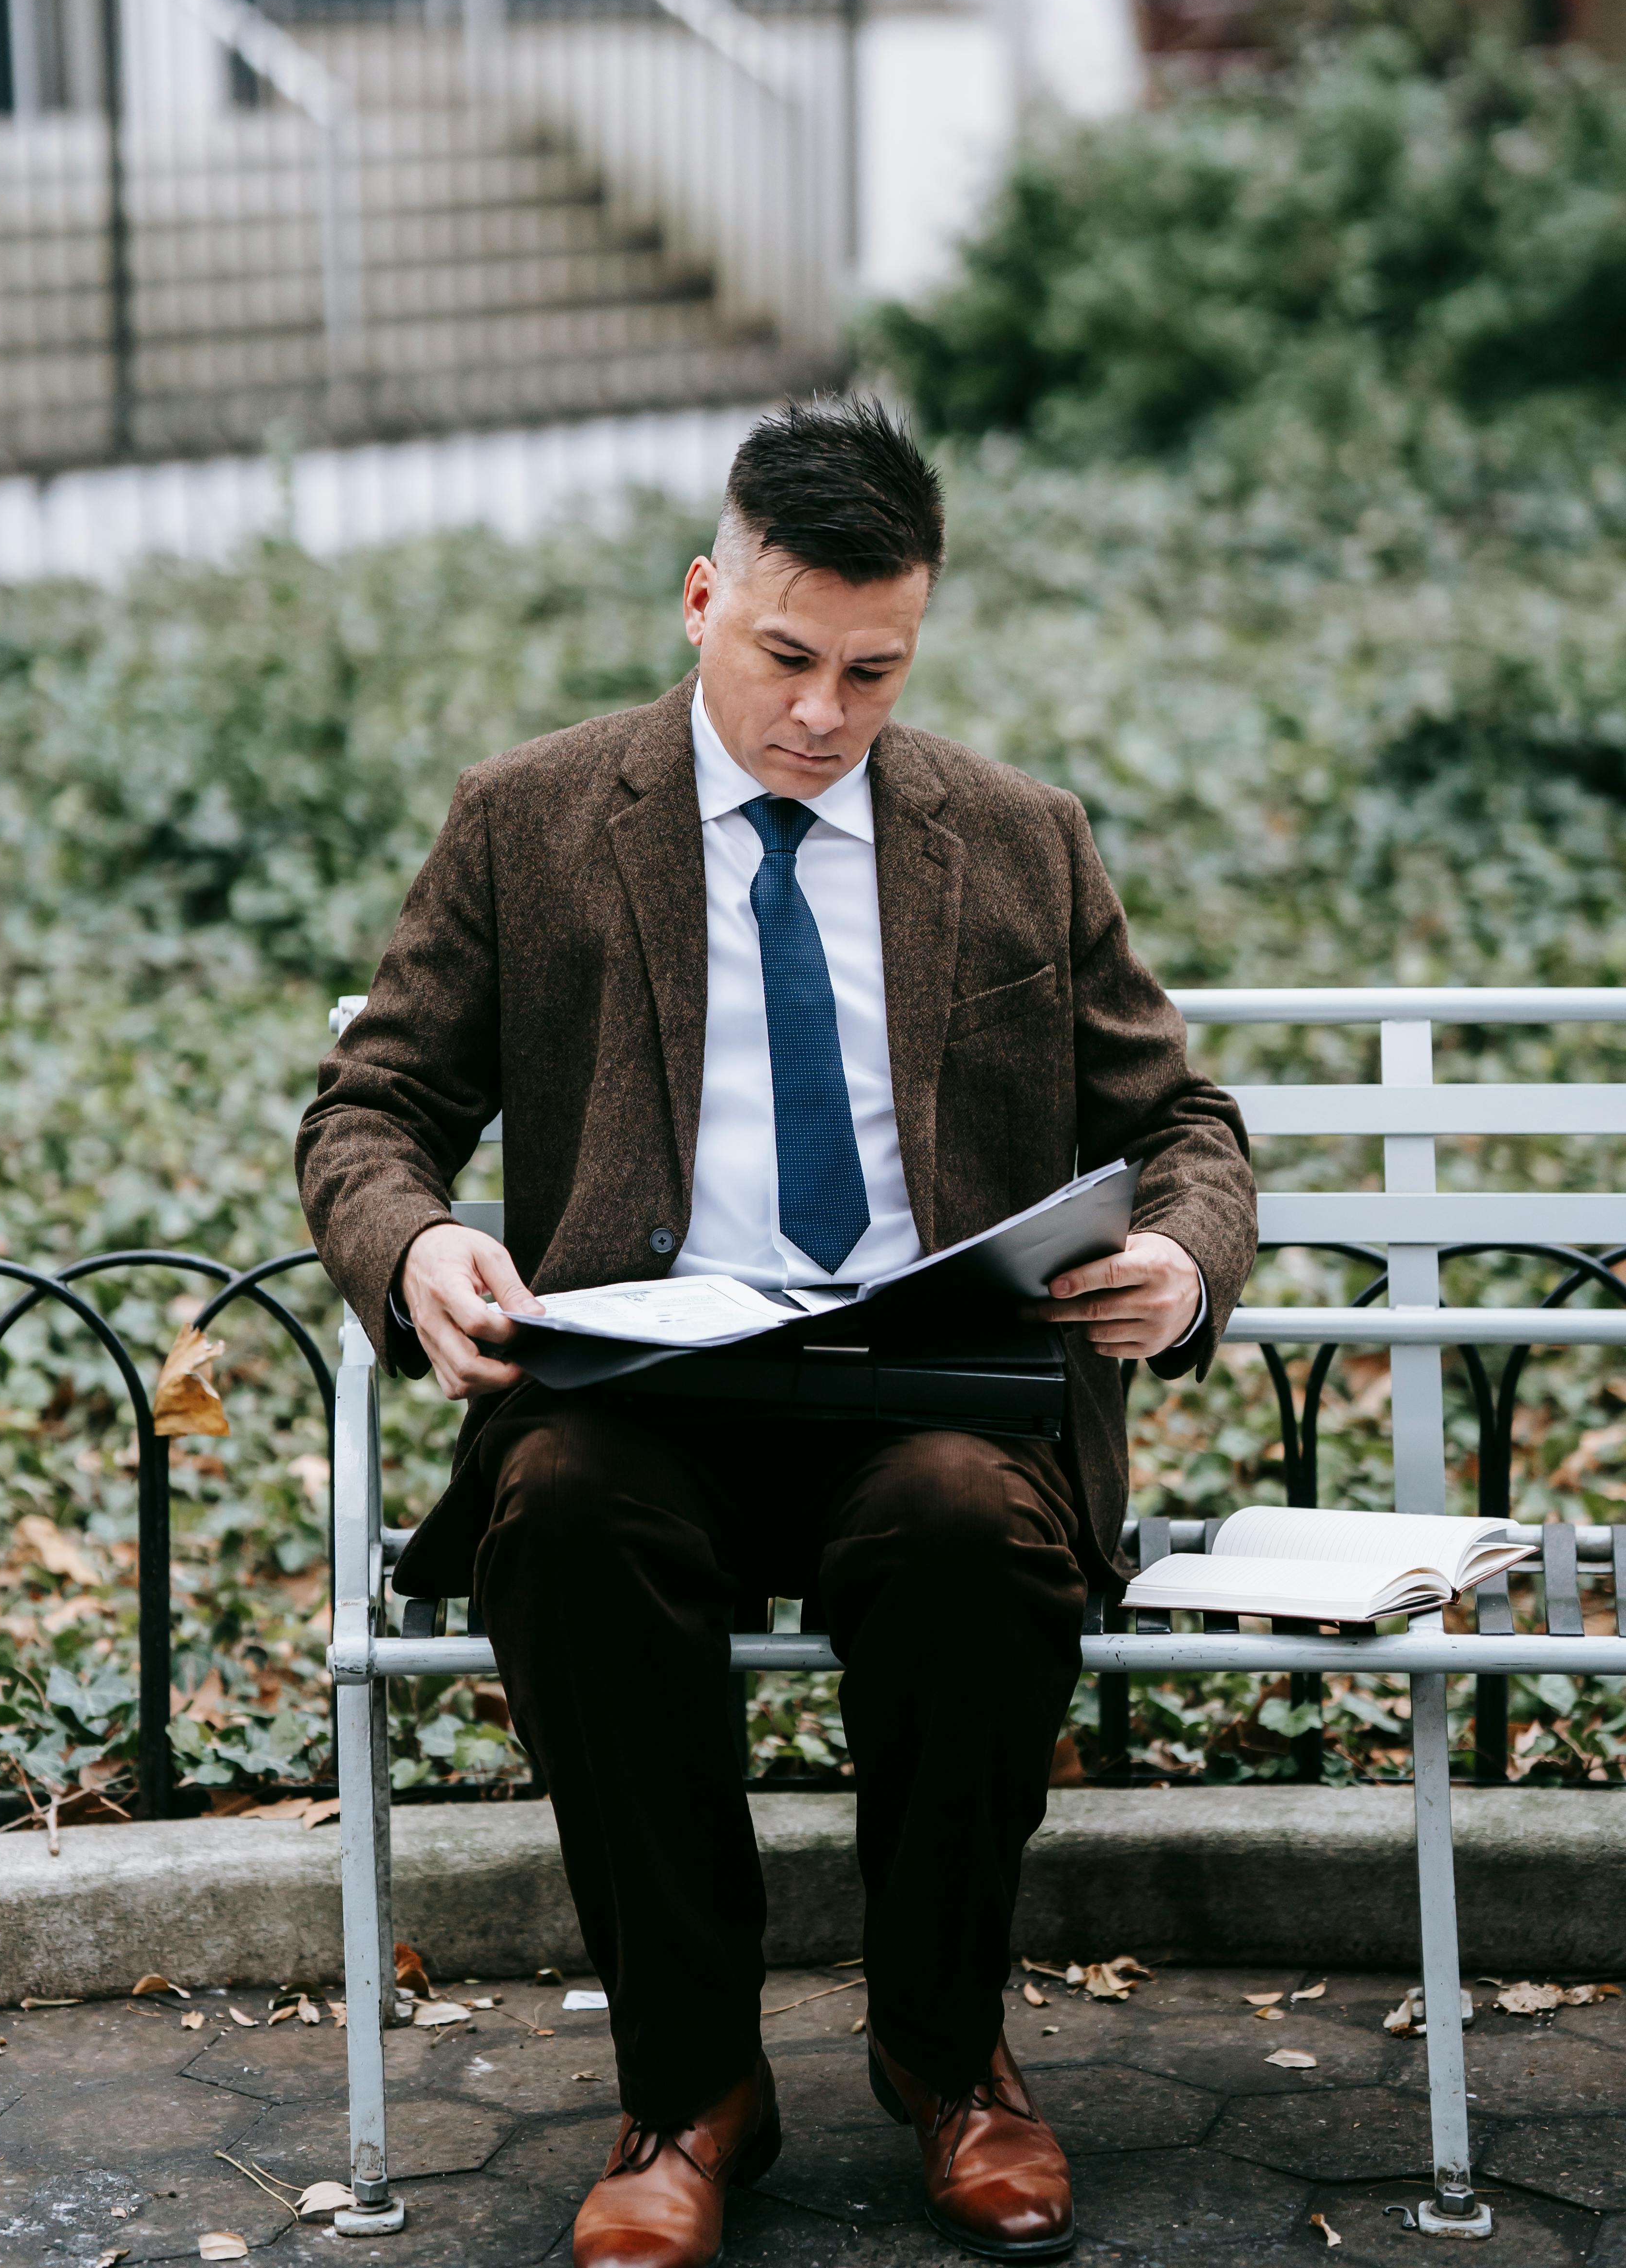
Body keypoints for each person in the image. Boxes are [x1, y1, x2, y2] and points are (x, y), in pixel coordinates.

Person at [298, 398, 1256, 2267]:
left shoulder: (1017, 839)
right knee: (564, 1513)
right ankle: (691, 2087)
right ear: (699, 600)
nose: (824, 712)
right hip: (640, 1397)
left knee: (972, 1530)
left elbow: (1182, 1127)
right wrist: (412, 1251)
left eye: (874, 670)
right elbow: (371, 1109)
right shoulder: (538, 818)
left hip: (934, 1397)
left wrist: (1183, 1263)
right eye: (786, 655)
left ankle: (945, 2055)